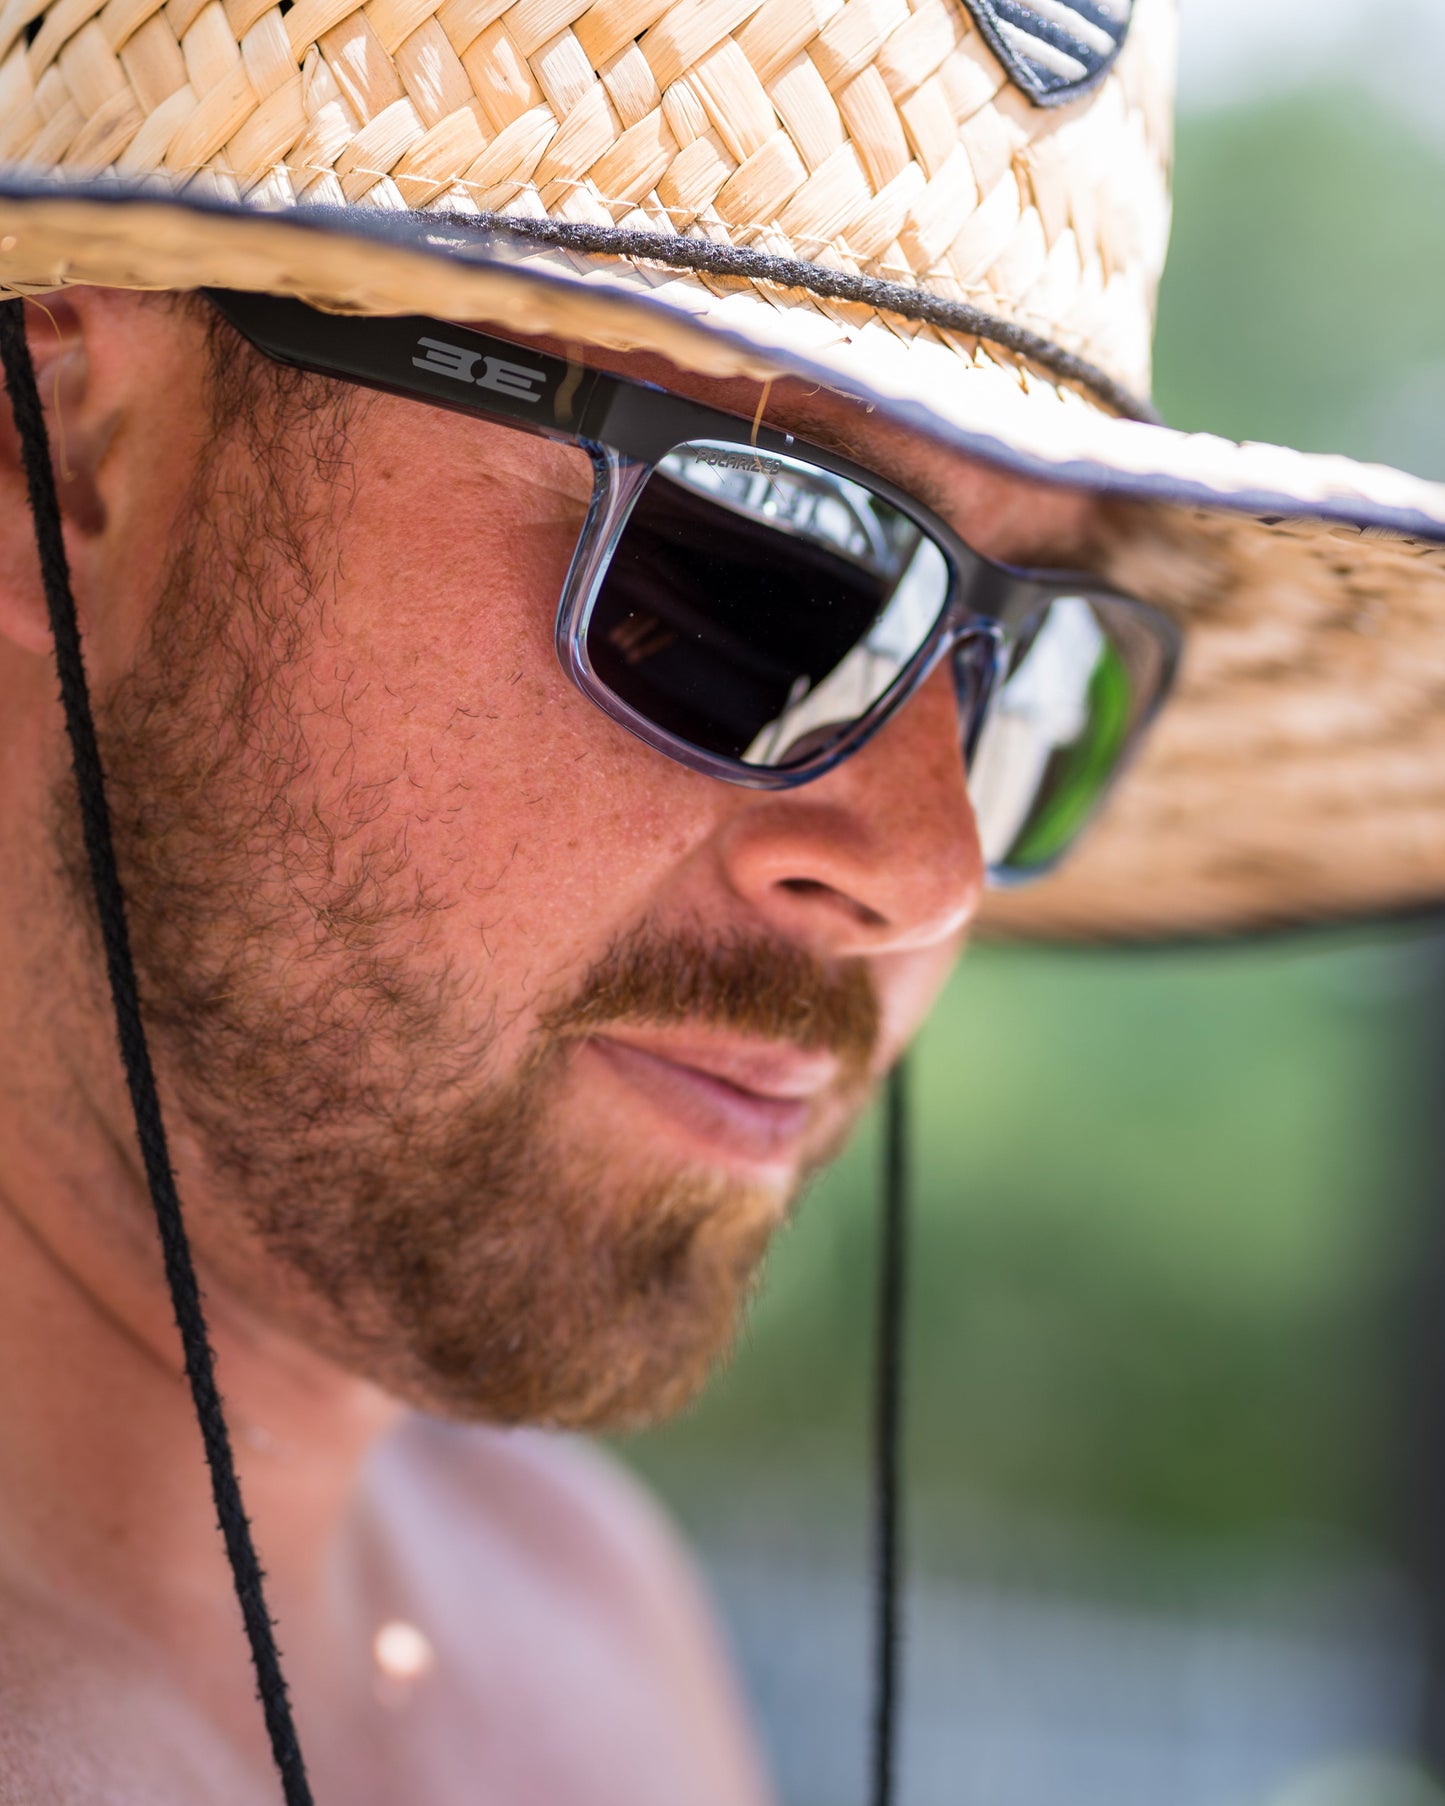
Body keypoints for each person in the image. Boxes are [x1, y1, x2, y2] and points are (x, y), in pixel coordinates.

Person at [1, 0, 1442, 1800]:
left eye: (1026, 667)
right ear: (64, 454)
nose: (926, 874)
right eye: (759, 572)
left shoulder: (592, 1626)